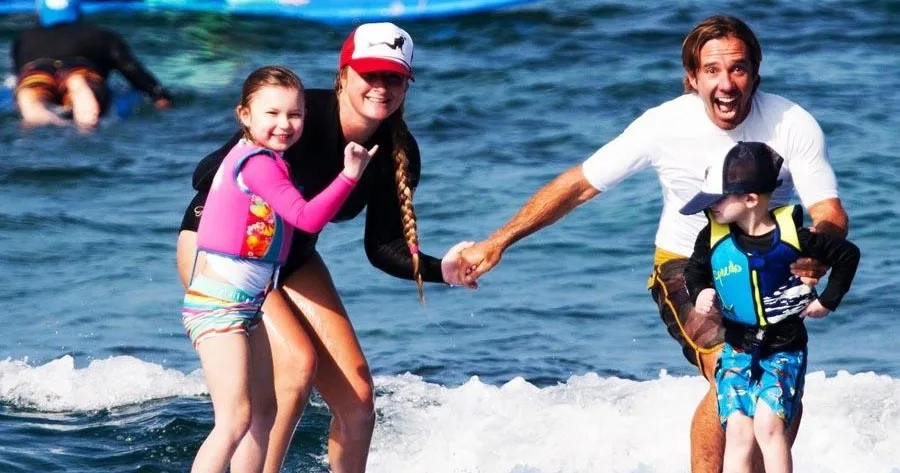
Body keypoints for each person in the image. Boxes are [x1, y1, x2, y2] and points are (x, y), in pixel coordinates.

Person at [457, 15, 849, 473]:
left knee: (778, 395)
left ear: (755, 74)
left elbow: (828, 211)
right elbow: (580, 186)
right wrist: (498, 241)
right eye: (712, 70)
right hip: (689, 265)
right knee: (731, 370)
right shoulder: (663, 125)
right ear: (693, 78)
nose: (726, 84)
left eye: (738, 69)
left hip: (770, 269)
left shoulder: (792, 123)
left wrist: (817, 250)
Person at [176, 23, 473, 473]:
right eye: (369, 74)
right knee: (297, 366)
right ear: (344, 75)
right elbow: (204, 175)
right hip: (224, 255)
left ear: (406, 85)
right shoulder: (297, 117)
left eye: (393, 77)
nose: (381, 87)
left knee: (358, 402)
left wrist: (442, 269)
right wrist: (265, 163)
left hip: (292, 259)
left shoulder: (397, 151)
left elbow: (383, 247)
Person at [182, 65, 376, 473]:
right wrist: (349, 175)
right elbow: (307, 218)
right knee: (234, 421)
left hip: (247, 305)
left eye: (294, 114)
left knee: (263, 414)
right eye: (271, 113)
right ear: (244, 115)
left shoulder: (270, 159)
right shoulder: (257, 163)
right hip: (220, 307)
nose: (284, 124)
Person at [681, 141, 859, 473]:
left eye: (718, 199)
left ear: (751, 199)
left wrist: (827, 301)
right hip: (736, 347)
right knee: (738, 431)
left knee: (768, 425)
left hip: (784, 348)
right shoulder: (712, 238)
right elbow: (694, 271)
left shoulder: (795, 238)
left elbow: (847, 255)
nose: (710, 207)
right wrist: (700, 291)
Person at [10, 0, 173, 129]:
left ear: (40, 13)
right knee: (79, 80)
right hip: (80, 68)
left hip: (37, 69)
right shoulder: (100, 34)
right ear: (77, 11)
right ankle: (78, 85)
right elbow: (132, 69)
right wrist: (159, 96)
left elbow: (17, 76)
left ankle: (33, 101)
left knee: (33, 87)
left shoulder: (24, 39)